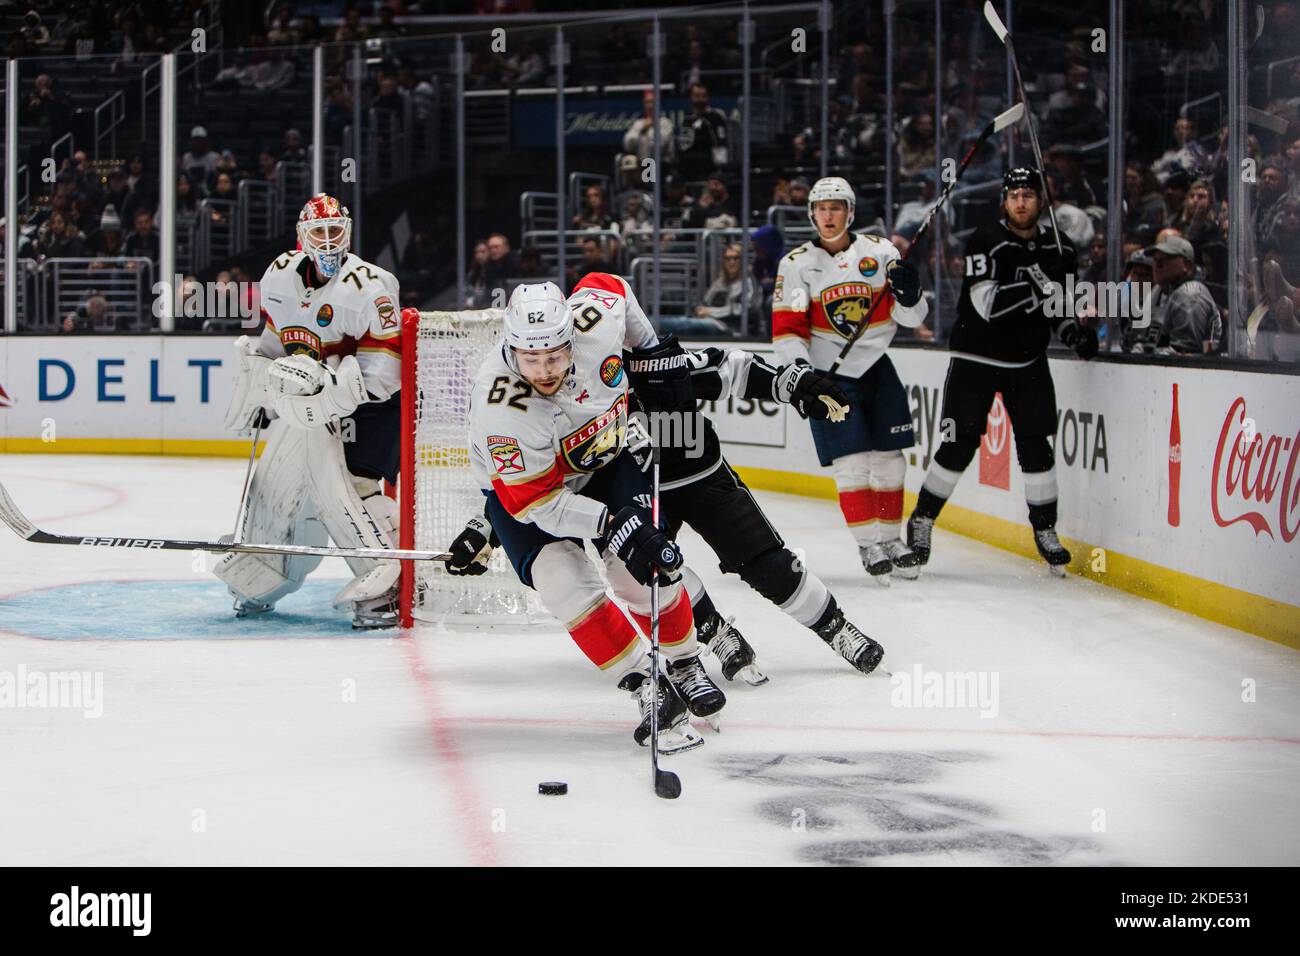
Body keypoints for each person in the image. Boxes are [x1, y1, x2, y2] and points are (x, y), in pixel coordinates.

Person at [453, 277, 727, 753]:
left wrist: (649, 349)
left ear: (570, 338)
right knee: (562, 581)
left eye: (555, 356)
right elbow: (540, 504)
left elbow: (611, 284)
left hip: (602, 461)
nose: (543, 370)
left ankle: (685, 662)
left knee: (644, 571)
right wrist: (611, 526)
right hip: (530, 494)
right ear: (510, 347)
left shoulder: (596, 322)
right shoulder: (500, 407)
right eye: (530, 359)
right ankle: (647, 685)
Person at [217, 194, 407, 629]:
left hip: (372, 407)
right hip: (308, 405)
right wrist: (262, 389)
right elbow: (272, 338)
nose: (327, 242)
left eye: (334, 231)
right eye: (318, 232)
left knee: (351, 488)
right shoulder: (280, 275)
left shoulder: (371, 286)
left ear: (348, 232)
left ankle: (389, 584)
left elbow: (384, 375)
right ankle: (263, 576)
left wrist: (326, 395)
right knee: (275, 487)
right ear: (301, 236)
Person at [907, 168, 1095, 576]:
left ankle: (1045, 531)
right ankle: (922, 520)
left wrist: (1073, 334)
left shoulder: (1059, 249)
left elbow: (1056, 309)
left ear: (1040, 202)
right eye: (1014, 195)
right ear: (1004, 202)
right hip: (975, 359)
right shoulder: (986, 240)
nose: (1022, 202)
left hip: (1027, 361)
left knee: (1036, 448)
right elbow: (986, 304)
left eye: (1029, 194)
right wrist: (1038, 285)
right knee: (957, 446)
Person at [773, 176, 928, 584]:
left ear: (850, 212)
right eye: (821, 208)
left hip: (876, 366)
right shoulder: (796, 266)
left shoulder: (880, 253)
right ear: (811, 213)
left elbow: (911, 318)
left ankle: (892, 540)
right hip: (828, 376)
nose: (828, 215)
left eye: (836, 207)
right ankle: (868, 544)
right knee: (852, 464)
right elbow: (788, 331)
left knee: (892, 462)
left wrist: (912, 296)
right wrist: (802, 376)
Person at [1140, 235, 1222, 355]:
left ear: (1187, 265)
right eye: (1155, 259)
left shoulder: (1191, 294)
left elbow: (1183, 355)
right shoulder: (1159, 291)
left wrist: (1142, 357)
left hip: (1192, 372)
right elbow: (1145, 340)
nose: (1157, 265)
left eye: (1166, 258)